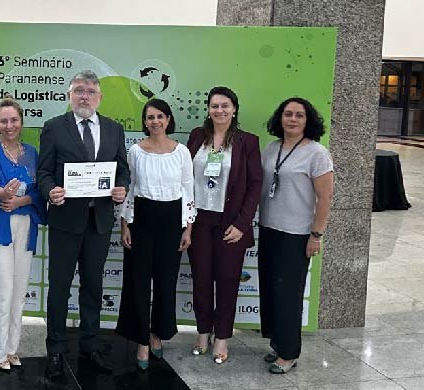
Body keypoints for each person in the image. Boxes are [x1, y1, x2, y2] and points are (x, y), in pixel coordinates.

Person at [38, 70, 131, 377]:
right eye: (79, 90)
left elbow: (123, 170)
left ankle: (90, 347)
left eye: (90, 91)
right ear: (69, 95)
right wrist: (50, 191)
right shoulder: (53, 128)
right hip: (65, 222)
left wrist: (122, 188)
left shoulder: (114, 129)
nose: (85, 96)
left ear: (100, 97)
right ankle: (55, 349)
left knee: (93, 288)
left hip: (99, 222)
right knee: (59, 289)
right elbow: (44, 172)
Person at [116, 99, 195, 370]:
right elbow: (130, 188)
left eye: (160, 116)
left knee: (165, 282)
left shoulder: (182, 151)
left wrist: (188, 226)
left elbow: (188, 190)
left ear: (169, 119)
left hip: (172, 221)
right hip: (141, 220)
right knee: (138, 283)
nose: (155, 121)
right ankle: (141, 341)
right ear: (145, 121)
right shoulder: (135, 151)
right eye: (150, 117)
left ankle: (157, 335)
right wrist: (124, 224)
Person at [187, 86, 262, 364]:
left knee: (228, 283)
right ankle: (203, 333)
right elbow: (186, 177)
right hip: (199, 221)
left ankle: (222, 338)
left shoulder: (248, 142)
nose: (219, 110)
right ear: (208, 109)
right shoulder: (197, 136)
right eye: (214, 105)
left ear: (234, 109)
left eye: (225, 105)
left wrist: (243, 224)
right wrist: (187, 220)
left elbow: (255, 185)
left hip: (231, 224)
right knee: (201, 282)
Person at [258, 97, 333, 374]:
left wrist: (316, 234)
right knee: (270, 290)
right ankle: (278, 343)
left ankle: (289, 353)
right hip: (269, 228)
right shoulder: (271, 149)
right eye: (288, 114)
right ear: (280, 119)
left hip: (297, 233)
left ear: (307, 121)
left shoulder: (316, 153)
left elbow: (325, 198)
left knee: (288, 293)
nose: (292, 119)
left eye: (299, 115)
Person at [0, 98, 46, 371]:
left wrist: (22, 201)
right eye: (3, 121)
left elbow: (39, 189)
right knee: (2, 292)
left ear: (21, 122)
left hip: (25, 226)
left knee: (18, 293)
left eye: (13, 120)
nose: (9, 125)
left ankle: (12, 349)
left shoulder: (32, 152)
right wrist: (2, 194)